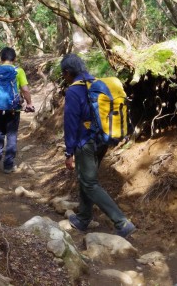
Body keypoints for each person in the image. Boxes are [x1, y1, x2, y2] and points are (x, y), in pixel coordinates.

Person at [60, 53, 136, 238]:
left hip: (85, 142)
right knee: (87, 178)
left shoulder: (74, 91)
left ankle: (122, 222)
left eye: (63, 74)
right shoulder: (96, 84)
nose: (64, 78)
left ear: (68, 72)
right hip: (102, 139)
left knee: (89, 182)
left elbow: (70, 123)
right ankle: (83, 218)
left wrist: (69, 152)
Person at [0, 47, 34, 174]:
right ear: (14, 58)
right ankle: (8, 165)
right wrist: (29, 103)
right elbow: (25, 90)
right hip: (13, 109)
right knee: (11, 134)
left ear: (1, 58)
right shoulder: (18, 71)